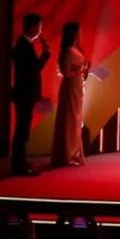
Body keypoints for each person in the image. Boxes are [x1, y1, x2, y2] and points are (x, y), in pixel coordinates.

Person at [10, 13, 50, 175]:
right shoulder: (23, 45)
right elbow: (33, 70)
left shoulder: (24, 44)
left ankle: (20, 162)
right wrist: (45, 55)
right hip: (24, 94)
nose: (40, 30)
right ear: (32, 26)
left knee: (23, 129)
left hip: (24, 93)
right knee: (22, 130)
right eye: (39, 26)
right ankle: (18, 166)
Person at [51, 22, 88, 168]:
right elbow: (66, 72)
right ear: (74, 34)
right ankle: (68, 154)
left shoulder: (75, 49)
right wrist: (81, 70)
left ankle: (73, 152)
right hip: (70, 87)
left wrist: (83, 71)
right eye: (79, 32)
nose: (81, 34)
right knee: (70, 120)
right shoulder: (68, 51)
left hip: (77, 86)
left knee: (75, 120)